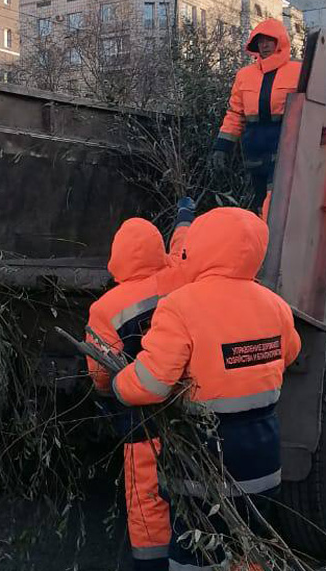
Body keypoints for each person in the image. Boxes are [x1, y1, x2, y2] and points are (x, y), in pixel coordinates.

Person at [111, 207, 301, 569]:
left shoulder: (180, 306)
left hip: (204, 454)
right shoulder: (276, 305)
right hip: (264, 453)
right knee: (250, 545)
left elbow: (152, 382)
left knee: (196, 548)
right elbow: (289, 352)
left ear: (198, 247)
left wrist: (121, 385)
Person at [84, 198, 195, 571]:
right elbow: (182, 251)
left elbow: (100, 376)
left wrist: (111, 392)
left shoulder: (105, 308)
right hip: (185, 409)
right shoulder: (178, 278)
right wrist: (184, 218)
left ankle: (150, 563)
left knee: (146, 497)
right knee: (188, 490)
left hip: (139, 418)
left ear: (117, 256)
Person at [211, 19, 302, 214]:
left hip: (285, 148)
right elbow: (235, 113)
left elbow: (311, 108)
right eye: (260, 41)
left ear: (280, 42)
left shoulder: (297, 71)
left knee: (275, 203)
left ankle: (274, 240)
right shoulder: (244, 75)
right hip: (254, 151)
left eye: (270, 40)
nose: (265, 45)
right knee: (260, 205)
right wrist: (223, 146)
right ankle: (263, 241)